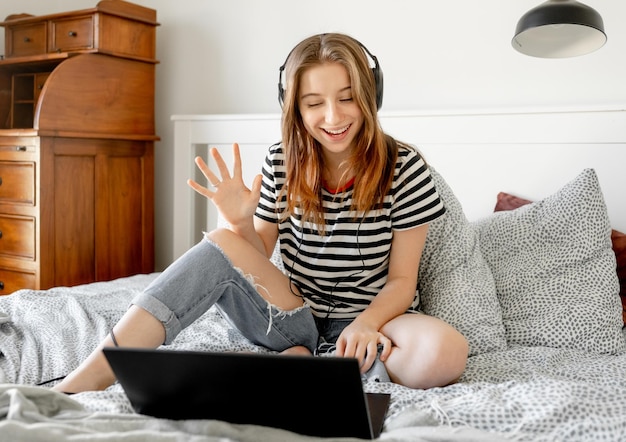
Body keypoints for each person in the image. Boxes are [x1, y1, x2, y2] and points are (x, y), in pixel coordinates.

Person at [53, 32, 468, 393]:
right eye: (313, 103)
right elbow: (255, 258)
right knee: (220, 241)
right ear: (294, 108)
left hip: (372, 322)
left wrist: (366, 324)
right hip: (294, 317)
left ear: (370, 95)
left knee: (446, 353)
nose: (333, 116)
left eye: (347, 98)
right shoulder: (281, 161)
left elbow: (401, 280)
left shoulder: (405, 166)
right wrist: (237, 222)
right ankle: (88, 377)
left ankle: (315, 364)